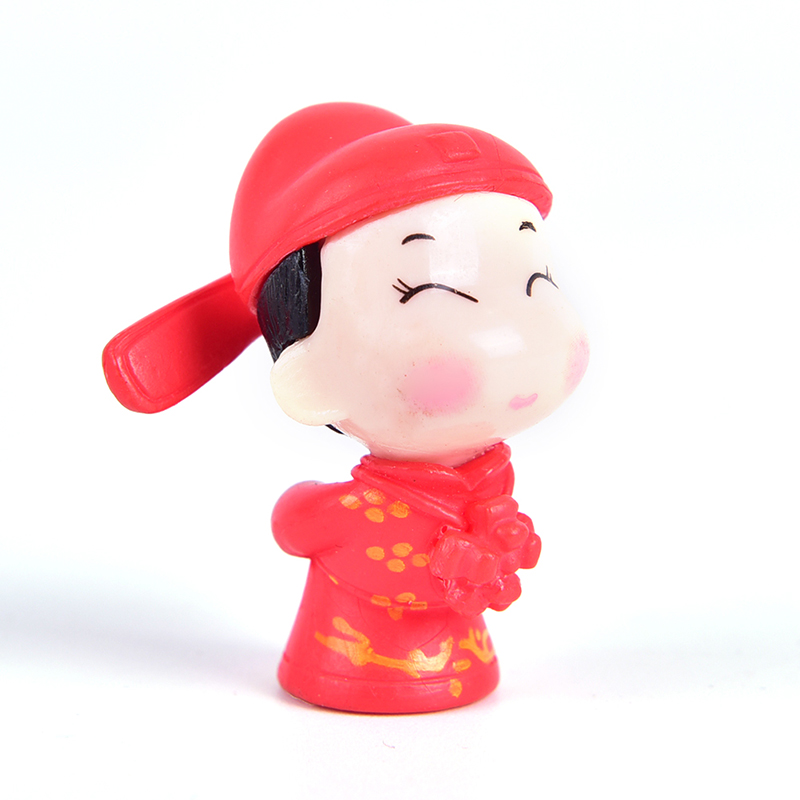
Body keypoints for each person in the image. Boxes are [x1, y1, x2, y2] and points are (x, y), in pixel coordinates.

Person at [103, 103, 589, 713]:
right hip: (337, 662)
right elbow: (294, 525)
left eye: (538, 280)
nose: (513, 335)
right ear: (308, 378)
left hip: (462, 658)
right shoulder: (354, 515)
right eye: (430, 291)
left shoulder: (487, 486)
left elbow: (296, 525)